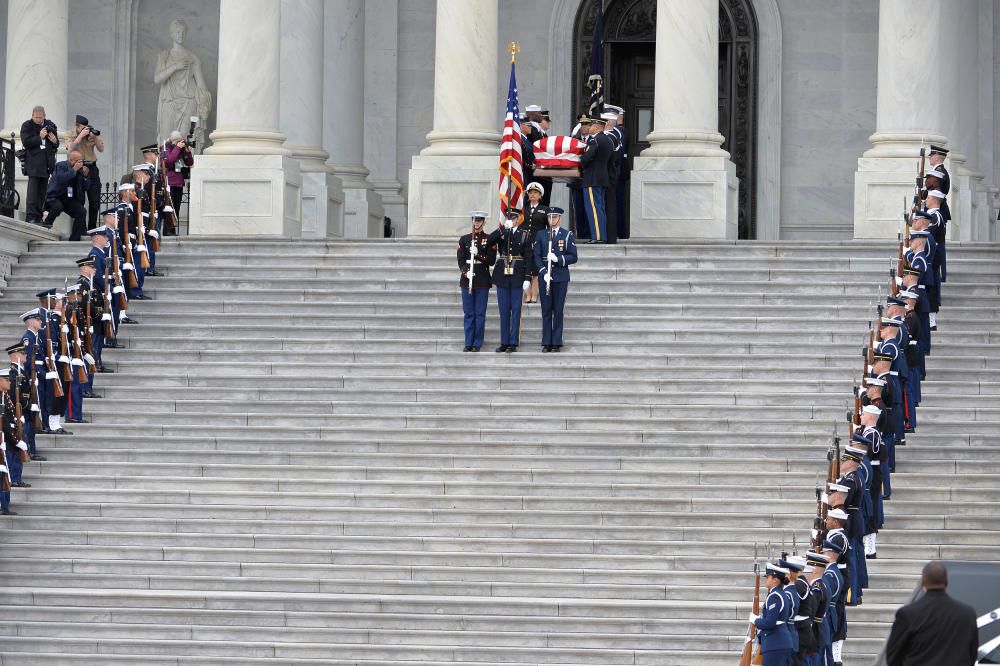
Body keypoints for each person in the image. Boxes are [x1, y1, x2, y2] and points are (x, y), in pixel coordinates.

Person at [885, 561, 978, 666]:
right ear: (946, 582)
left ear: (923, 582)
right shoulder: (967, 614)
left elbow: (893, 656)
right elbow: (972, 653)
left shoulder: (907, 614)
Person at [488, 209, 532, 353]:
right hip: (502, 275)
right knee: (504, 310)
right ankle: (504, 341)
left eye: (514, 217)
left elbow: (529, 258)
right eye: (509, 217)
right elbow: (488, 241)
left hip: (518, 275)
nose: (512, 219)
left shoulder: (525, 234)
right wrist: (502, 229)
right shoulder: (503, 232)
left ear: (519, 218)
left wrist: (527, 277)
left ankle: (513, 342)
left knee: (516, 310)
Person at [534, 207, 577, 352]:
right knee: (546, 309)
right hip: (545, 276)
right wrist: (543, 271)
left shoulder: (566, 235)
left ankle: (557, 341)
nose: (552, 220)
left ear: (560, 218)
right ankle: (546, 341)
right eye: (550, 217)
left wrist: (558, 259)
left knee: (558, 310)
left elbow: (573, 256)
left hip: (560, 276)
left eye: (555, 217)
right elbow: (536, 256)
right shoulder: (541, 234)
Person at [457, 212, 494, 352]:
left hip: (482, 278)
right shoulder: (464, 239)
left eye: (479, 221)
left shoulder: (489, 239)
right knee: (469, 313)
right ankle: (468, 342)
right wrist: (466, 272)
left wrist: (478, 253)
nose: (477, 223)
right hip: (467, 279)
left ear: (484, 222)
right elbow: (460, 260)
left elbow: (491, 260)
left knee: (479, 313)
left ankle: (477, 343)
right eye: (474, 220)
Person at [20, 105, 59, 226]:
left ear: (44, 116)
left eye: (40, 117)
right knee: (33, 193)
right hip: (34, 164)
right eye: (36, 117)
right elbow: (26, 142)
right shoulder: (27, 125)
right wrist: (39, 137)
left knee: (42, 193)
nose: (38, 119)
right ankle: (30, 216)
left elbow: (55, 144)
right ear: (32, 116)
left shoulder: (50, 125)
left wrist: (55, 142)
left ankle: (38, 216)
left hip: (47, 164)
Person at [65, 115, 105, 230]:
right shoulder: (70, 134)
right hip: (78, 167)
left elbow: (101, 149)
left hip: (92, 168)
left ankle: (92, 227)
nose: (85, 130)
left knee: (95, 200)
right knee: (79, 199)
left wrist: (95, 138)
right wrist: (80, 136)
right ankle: (81, 228)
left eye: (86, 128)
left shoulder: (91, 133)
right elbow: (70, 149)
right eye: (82, 128)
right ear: (77, 126)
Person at [578, 115, 613, 243]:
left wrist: (578, 160)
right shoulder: (607, 140)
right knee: (599, 209)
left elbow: (586, 158)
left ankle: (597, 237)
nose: (589, 127)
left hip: (592, 179)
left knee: (593, 209)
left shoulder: (595, 140)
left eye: (591, 125)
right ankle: (601, 236)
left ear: (597, 126)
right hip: (601, 178)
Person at [751, 563, 794, 665]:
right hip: (780, 642)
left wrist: (755, 620)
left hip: (775, 643)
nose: (766, 580)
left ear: (775, 579)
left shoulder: (774, 596)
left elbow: (769, 623)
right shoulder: (780, 593)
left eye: (768, 577)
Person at [44, 150, 91, 240]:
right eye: (79, 161)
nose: (81, 163)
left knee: (81, 211)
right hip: (55, 195)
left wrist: (85, 176)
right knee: (58, 206)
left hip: (68, 198)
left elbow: (86, 187)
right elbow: (61, 179)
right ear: (71, 160)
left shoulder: (80, 170)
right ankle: (47, 223)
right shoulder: (61, 165)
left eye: (82, 161)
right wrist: (74, 170)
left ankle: (75, 238)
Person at [162, 130, 193, 235]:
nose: (181, 143)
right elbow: (170, 160)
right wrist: (178, 147)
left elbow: (190, 162)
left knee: (176, 207)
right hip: (170, 182)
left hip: (179, 182)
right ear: (174, 140)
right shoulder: (166, 148)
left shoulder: (180, 150)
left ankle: (173, 229)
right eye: (179, 141)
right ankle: (167, 230)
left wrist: (187, 151)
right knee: (169, 207)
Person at [522, 183, 548, 303]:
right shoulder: (523, 209)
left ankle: (534, 294)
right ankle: (527, 294)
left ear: (540, 195)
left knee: (536, 270)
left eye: (535, 193)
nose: (532, 194)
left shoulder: (544, 209)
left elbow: (548, 228)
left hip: (538, 243)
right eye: (530, 192)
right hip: (525, 243)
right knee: (526, 268)